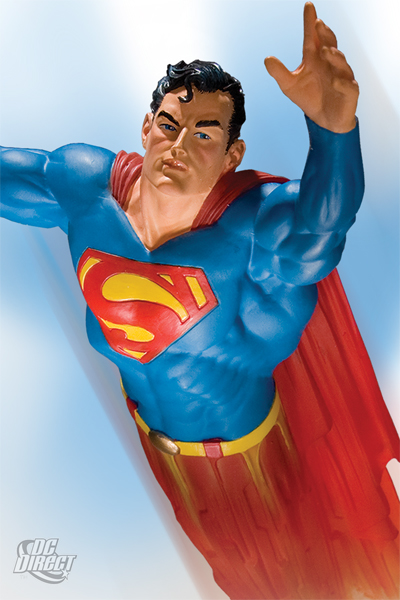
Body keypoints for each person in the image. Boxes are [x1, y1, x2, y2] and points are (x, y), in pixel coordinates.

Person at [1, 3, 398, 598]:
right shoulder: (86, 190)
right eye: (169, 125)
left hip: (258, 464)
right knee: (230, 578)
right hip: (164, 455)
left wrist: (334, 131)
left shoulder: (248, 230)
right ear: (146, 127)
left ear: (232, 156)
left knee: (320, 579)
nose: (179, 145)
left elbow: (318, 230)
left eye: (205, 132)